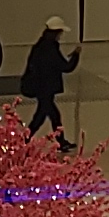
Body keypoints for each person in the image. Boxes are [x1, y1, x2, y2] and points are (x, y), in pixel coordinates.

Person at [18, 16, 79, 147]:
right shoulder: (51, 49)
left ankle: (26, 139)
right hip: (45, 89)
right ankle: (25, 139)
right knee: (48, 116)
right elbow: (66, 67)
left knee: (44, 115)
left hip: (40, 88)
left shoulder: (40, 46)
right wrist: (76, 55)